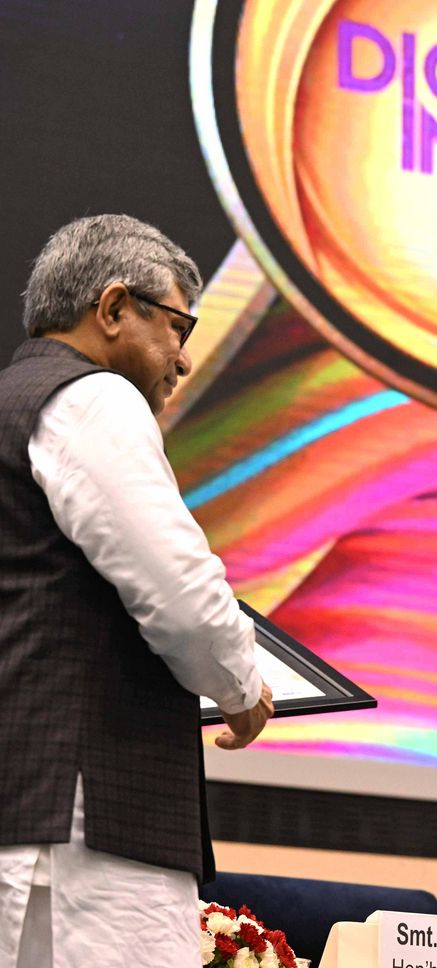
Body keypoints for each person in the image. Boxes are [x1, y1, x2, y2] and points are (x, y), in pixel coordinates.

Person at [0, 215, 274, 967]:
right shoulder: (93, 399)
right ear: (115, 308)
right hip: (79, 837)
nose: (183, 360)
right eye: (179, 327)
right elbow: (180, 592)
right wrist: (241, 686)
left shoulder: (12, 404)